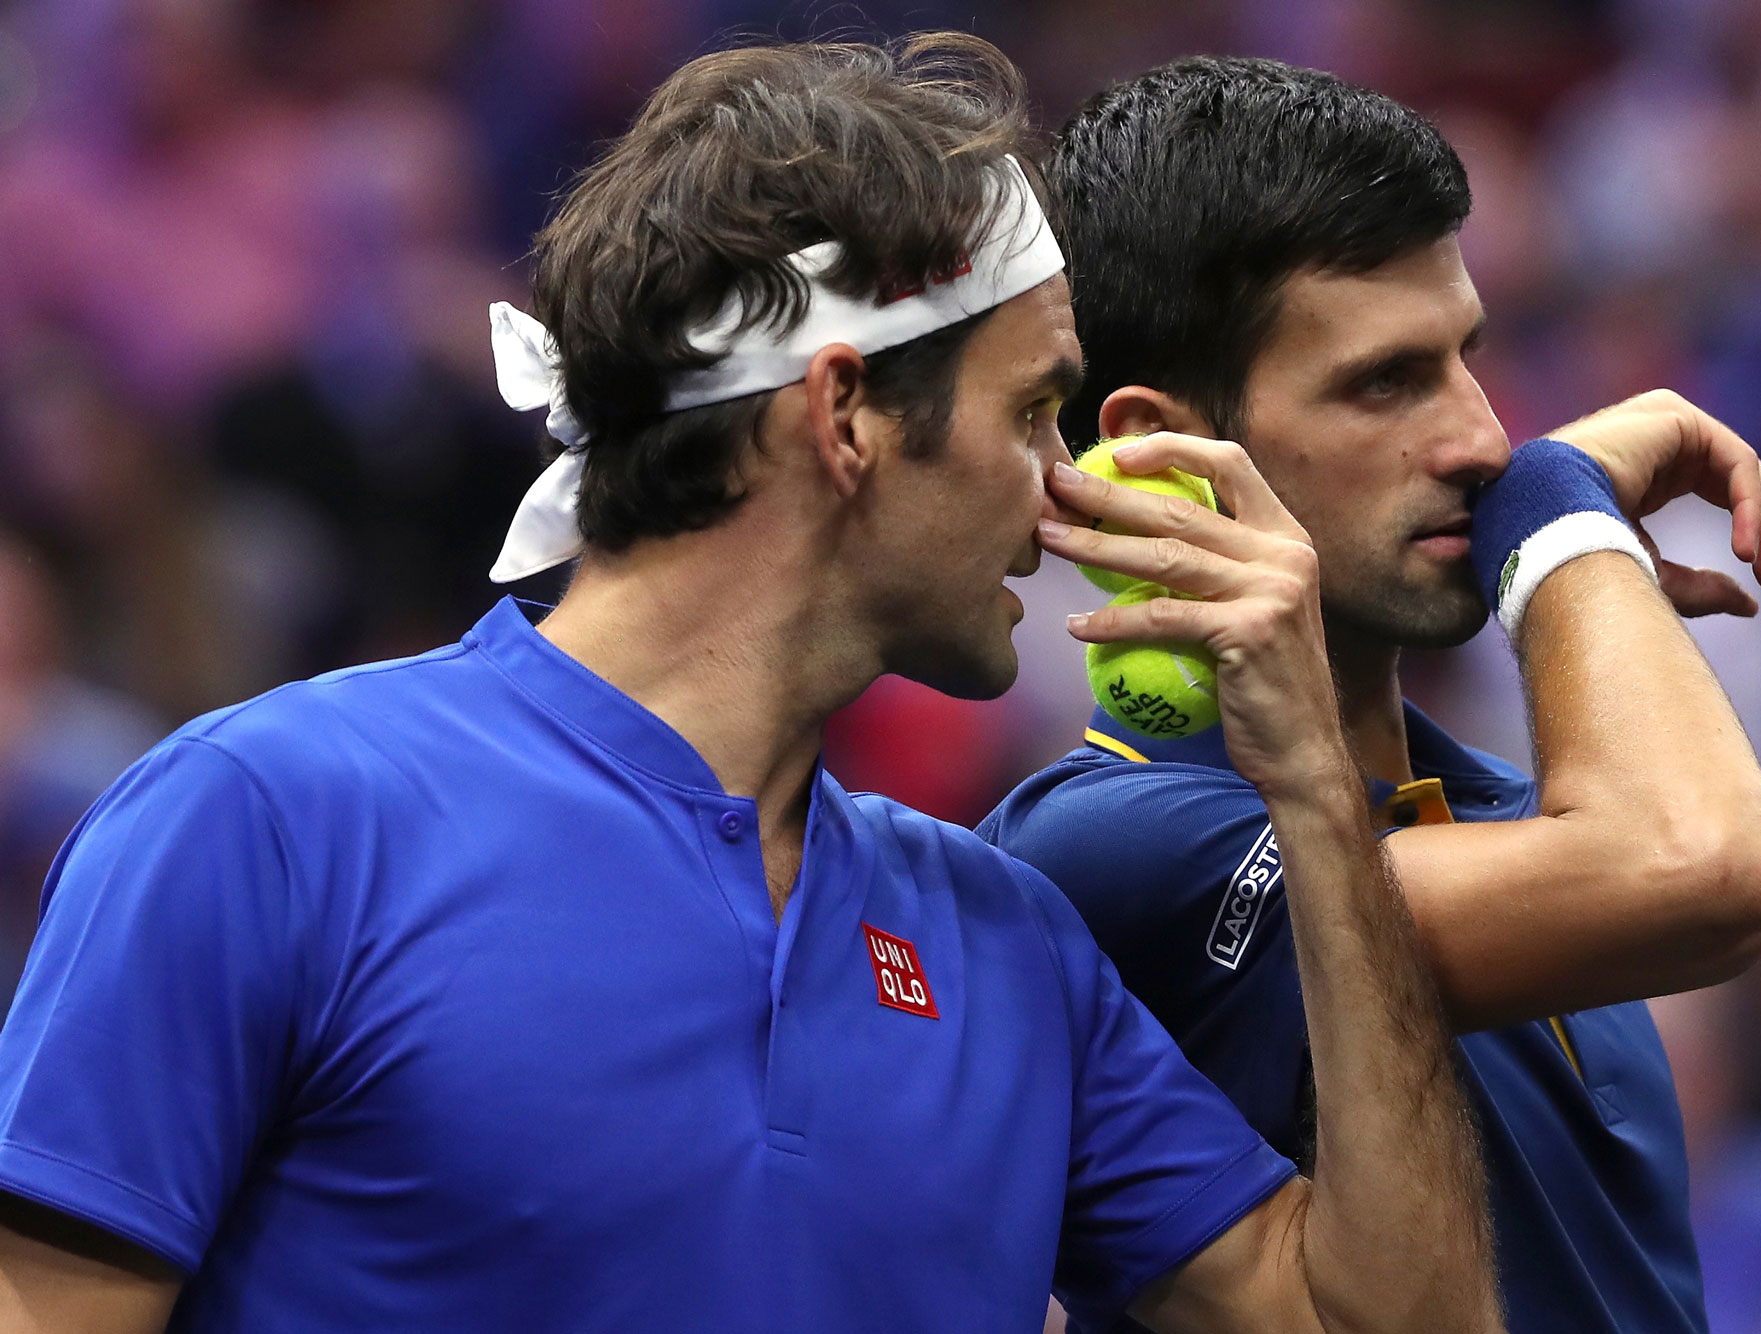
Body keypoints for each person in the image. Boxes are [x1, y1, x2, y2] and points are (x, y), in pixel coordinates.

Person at [0, 37, 1501, 1334]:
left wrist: (1314, 782)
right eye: (1035, 411)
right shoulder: (270, 817)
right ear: (845, 413)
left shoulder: (1006, 943)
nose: (1070, 495)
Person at [983, 57, 1761, 1334]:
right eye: (1384, 382)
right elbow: (1709, 866)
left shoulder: (1513, 814)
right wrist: (1556, 509)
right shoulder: (1107, 848)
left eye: (1465, 357)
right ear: (1157, 454)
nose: (1482, 438)